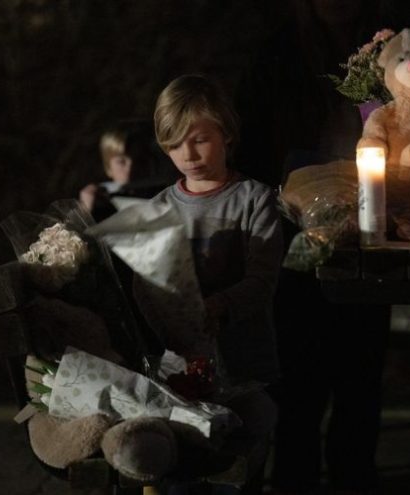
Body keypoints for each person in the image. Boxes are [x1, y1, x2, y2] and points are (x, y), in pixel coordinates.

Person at [234, 2, 392, 494]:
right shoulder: (279, 54)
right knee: (298, 377)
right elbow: (254, 142)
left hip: (371, 231)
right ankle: (294, 478)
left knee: (360, 375)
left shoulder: (388, 50)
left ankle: (353, 474)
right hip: (293, 233)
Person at [150, 74, 283, 495]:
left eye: (199, 139)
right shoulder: (156, 210)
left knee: (238, 468)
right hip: (179, 374)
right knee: (183, 473)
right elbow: (146, 287)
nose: (187, 154)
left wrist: (218, 305)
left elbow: (262, 280)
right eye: (174, 144)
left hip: (244, 364)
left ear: (225, 133)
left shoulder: (254, 200)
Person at [79, 121, 179, 222]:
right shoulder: (99, 199)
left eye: (139, 161)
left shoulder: (164, 194)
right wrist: (85, 211)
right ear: (108, 166)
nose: (131, 169)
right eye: (121, 162)